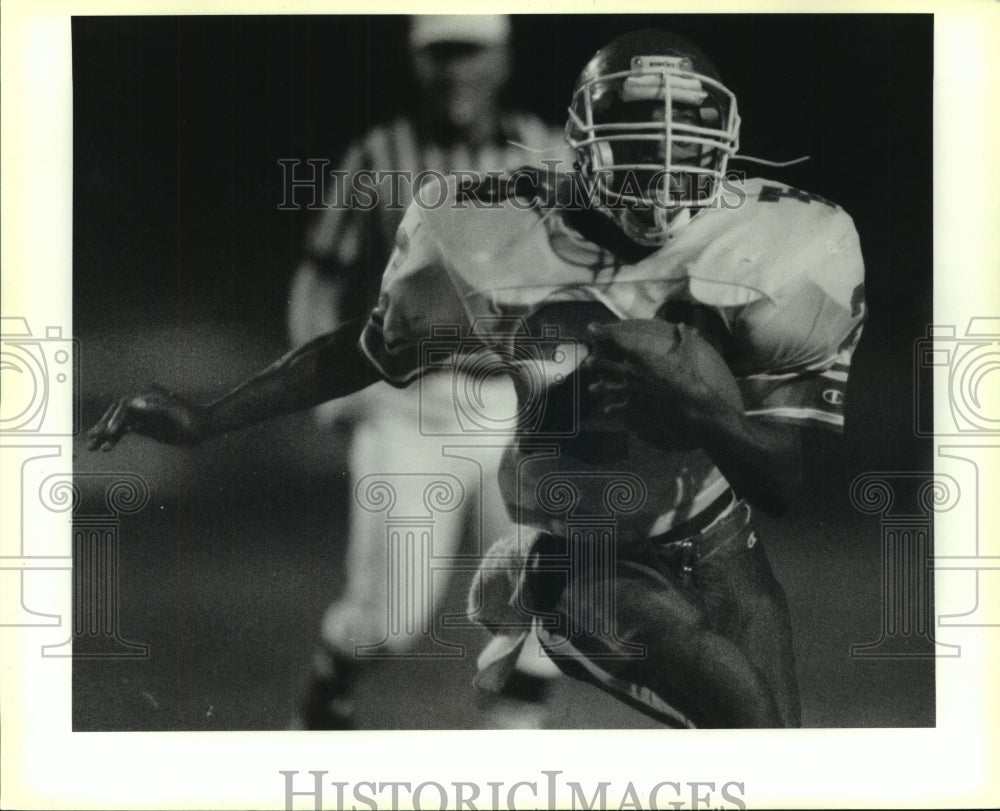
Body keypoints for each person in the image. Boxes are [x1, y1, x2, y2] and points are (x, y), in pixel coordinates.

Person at [88, 29, 866, 728]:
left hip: (721, 535)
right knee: (746, 722)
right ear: (586, 149)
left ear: (723, 146)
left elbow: (785, 479)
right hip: (584, 546)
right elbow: (359, 349)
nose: (660, 178)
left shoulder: (784, 246)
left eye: (682, 151)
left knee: (777, 757)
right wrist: (205, 417)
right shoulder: (488, 227)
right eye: (636, 149)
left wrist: (700, 406)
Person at [286, 15, 568, 729]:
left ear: (501, 59)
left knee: (545, 609)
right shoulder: (380, 155)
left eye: (468, 52)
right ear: (418, 63)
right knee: (385, 620)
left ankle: (507, 771)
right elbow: (316, 285)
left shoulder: (548, 152)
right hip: (411, 407)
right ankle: (323, 701)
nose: (454, 71)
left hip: (515, 403)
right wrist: (328, 390)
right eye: (439, 54)